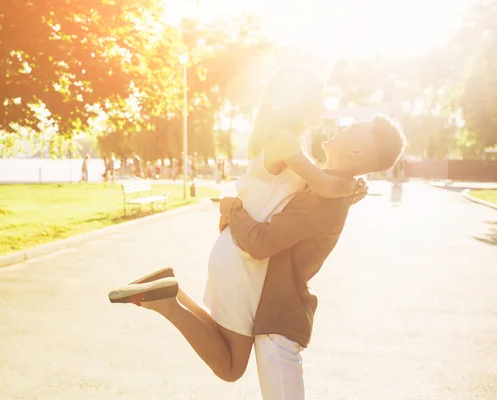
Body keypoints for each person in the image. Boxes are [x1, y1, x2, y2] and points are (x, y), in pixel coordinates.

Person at [107, 66, 404, 397]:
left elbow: (315, 193)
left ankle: (171, 296)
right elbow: (313, 192)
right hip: (243, 255)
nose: (332, 116)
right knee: (231, 368)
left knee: (229, 356)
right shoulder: (292, 149)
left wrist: (350, 190)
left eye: (352, 128)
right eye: (319, 100)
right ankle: (168, 302)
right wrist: (232, 207)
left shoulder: (303, 159)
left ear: (360, 152)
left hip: (238, 252)